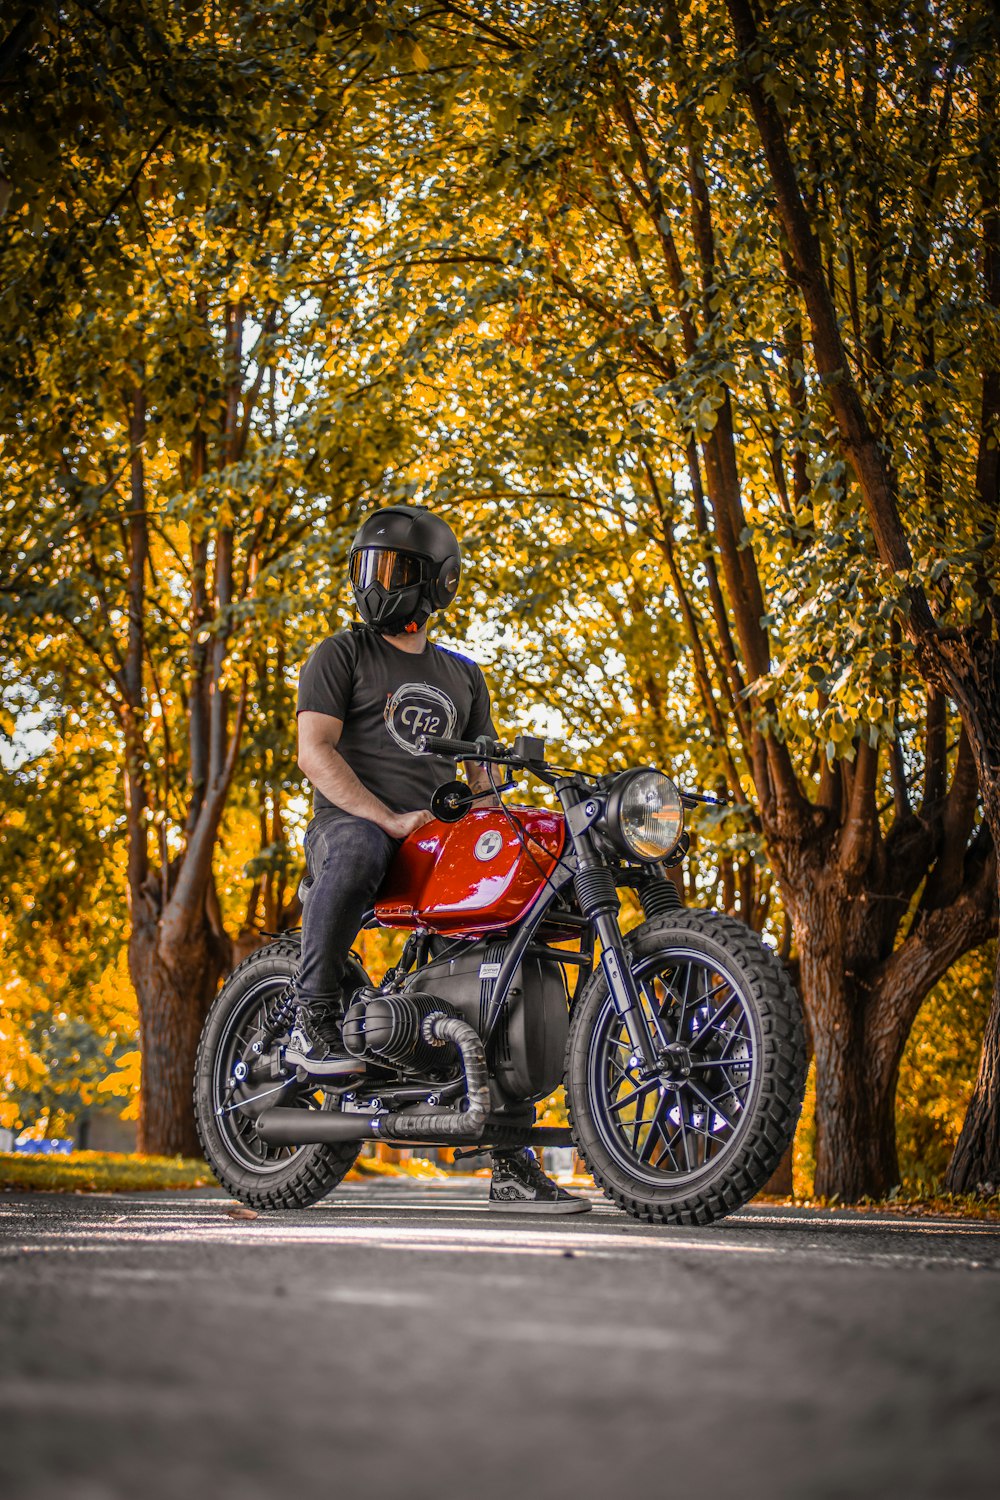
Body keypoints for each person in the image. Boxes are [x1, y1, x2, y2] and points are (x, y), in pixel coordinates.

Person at [293, 503, 590, 1214]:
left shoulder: (463, 676)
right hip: (354, 827)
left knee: (511, 943)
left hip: (441, 842)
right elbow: (315, 751)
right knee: (361, 846)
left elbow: (486, 780)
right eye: (365, 567)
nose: (373, 582)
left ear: (437, 585)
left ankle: (511, 1163)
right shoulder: (340, 654)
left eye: (390, 569)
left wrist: (507, 830)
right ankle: (311, 1014)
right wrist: (386, 817)